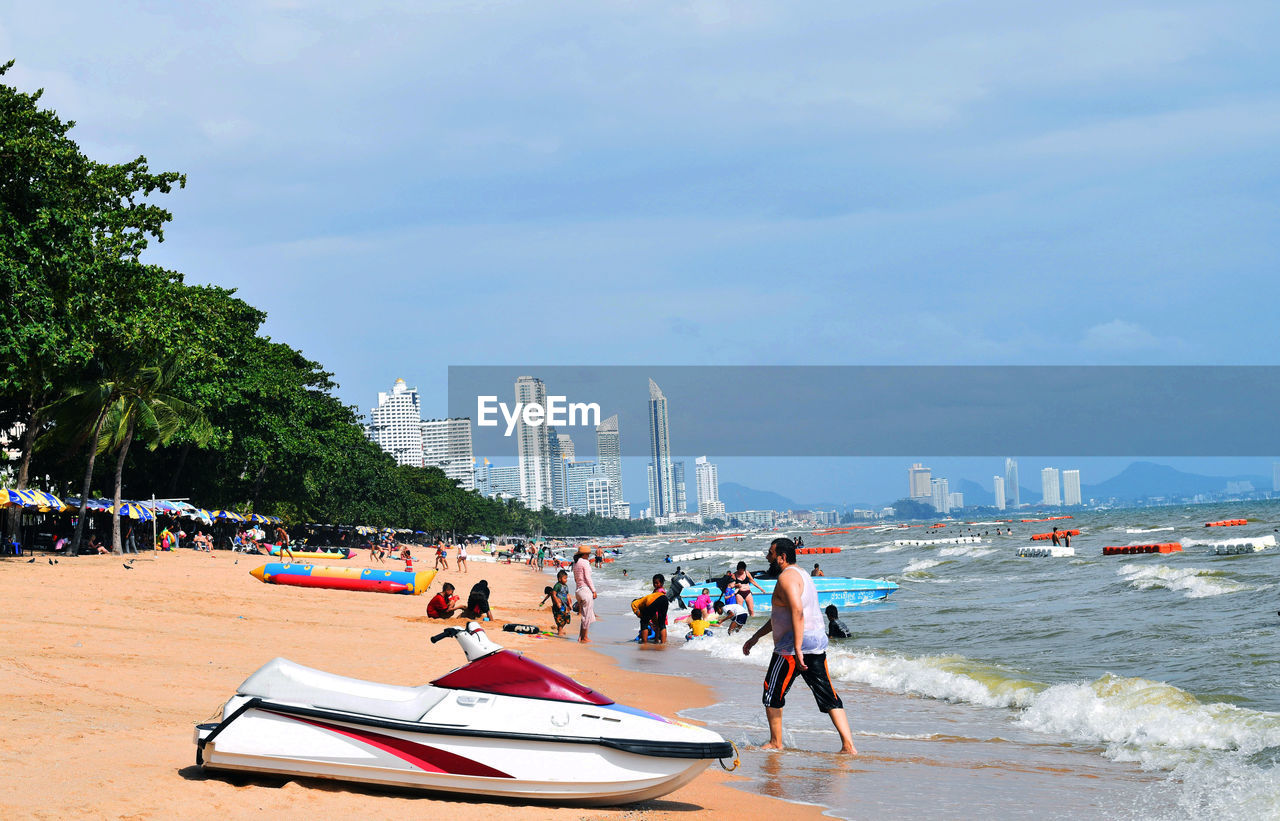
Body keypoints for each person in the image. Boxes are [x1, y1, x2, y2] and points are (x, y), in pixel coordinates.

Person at [743, 537, 857, 754]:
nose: (767, 557)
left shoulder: (786, 578)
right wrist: (756, 636)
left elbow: (797, 611)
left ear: (782, 557)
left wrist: (796, 648)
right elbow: (781, 616)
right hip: (815, 643)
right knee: (827, 694)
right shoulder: (803, 574)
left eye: (770, 554)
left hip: (791, 647)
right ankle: (848, 745)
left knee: (771, 692)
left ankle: (776, 741)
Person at [572, 547, 597, 643]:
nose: (589, 555)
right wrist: (593, 590)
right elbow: (587, 577)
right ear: (584, 554)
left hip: (578, 590)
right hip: (585, 590)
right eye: (588, 554)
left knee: (584, 615)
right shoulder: (585, 562)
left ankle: (580, 636)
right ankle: (584, 637)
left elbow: (575, 578)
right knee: (587, 616)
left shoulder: (576, 563)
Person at [636, 574, 668, 644]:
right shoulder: (660, 590)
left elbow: (653, 602)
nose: (655, 584)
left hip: (656, 609)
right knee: (661, 625)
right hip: (663, 604)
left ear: (662, 583)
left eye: (657, 583)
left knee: (648, 623)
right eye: (654, 583)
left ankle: (645, 643)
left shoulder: (659, 591)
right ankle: (661, 642)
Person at [542, 569, 572, 636]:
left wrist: (570, 604)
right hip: (558, 606)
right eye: (564, 578)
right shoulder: (557, 585)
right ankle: (560, 630)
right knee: (559, 618)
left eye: (566, 578)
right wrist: (557, 603)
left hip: (565, 605)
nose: (566, 580)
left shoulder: (566, 586)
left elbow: (567, 595)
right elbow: (553, 594)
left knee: (566, 619)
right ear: (559, 579)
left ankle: (560, 629)